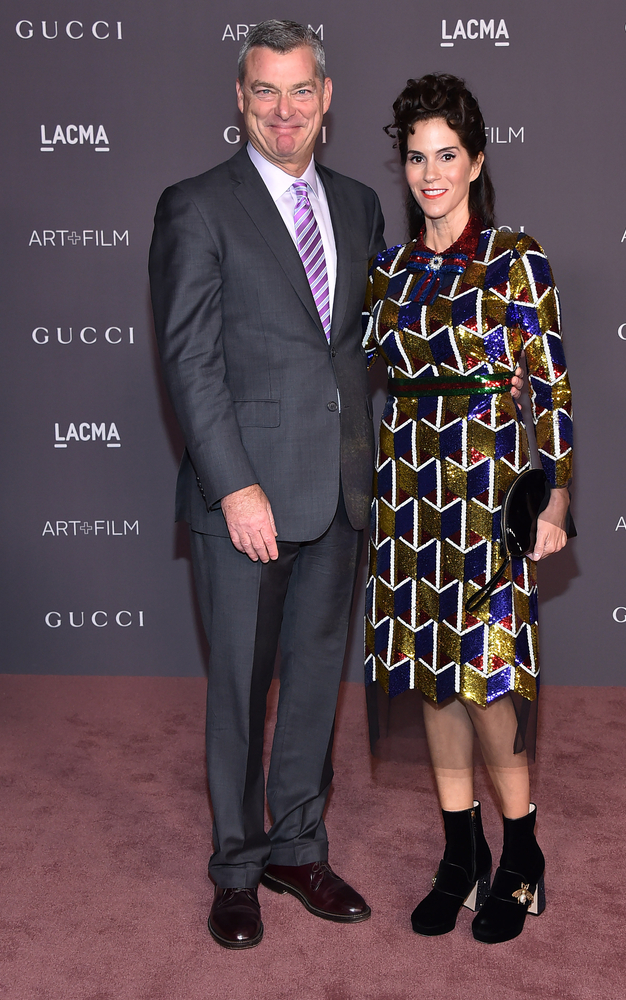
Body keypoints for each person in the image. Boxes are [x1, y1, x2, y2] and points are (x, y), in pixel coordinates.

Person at [149, 21, 386, 948]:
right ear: (239, 101)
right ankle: (238, 869)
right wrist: (234, 486)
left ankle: (298, 848)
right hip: (245, 496)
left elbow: (367, 350)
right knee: (242, 694)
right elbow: (190, 360)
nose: (283, 114)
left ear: (326, 100)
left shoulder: (363, 205)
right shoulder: (195, 205)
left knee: (318, 685)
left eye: (300, 93)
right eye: (264, 93)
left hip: (339, 493)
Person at [363, 74, 573, 944]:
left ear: (477, 159)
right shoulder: (389, 271)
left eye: (446, 153)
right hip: (410, 495)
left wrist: (555, 495)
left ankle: (521, 853)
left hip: (488, 500)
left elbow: (551, 386)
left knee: (489, 681)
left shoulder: (518, 259)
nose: (430, 171)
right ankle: (462, 854)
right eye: (416, 156)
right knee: (432, 682)